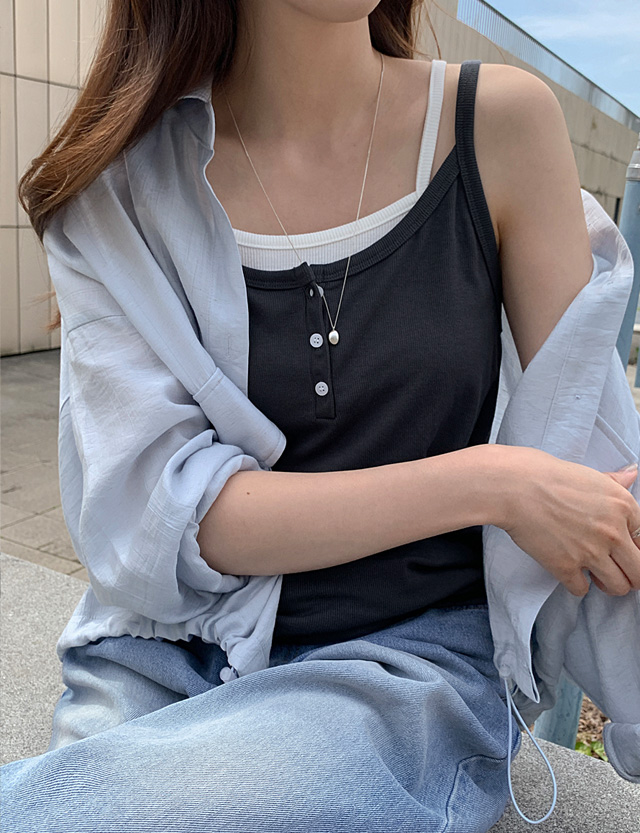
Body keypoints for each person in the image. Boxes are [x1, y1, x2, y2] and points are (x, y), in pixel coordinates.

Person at [3, 2, 640, 831]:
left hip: (404, 667)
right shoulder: (122, 183)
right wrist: (495, 482)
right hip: (163, 652)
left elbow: (594, 478)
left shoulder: (498, 126)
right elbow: (175, 514)